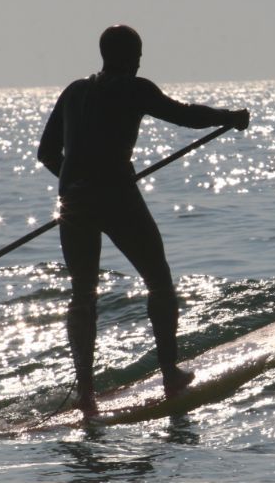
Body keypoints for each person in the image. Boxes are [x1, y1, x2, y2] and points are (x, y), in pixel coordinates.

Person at [37, 25, 249, 416]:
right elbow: (184, 116)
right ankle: (170, 374)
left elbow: (47, 153)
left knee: (83, 295)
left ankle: (86, 396)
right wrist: (229, 117)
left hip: (73, 202)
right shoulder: (134, 88)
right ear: (129, 57)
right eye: (137, 55)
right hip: (117, 197)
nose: (139, 62)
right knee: (159, 280)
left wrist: (77, 185)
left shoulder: (74, 91)